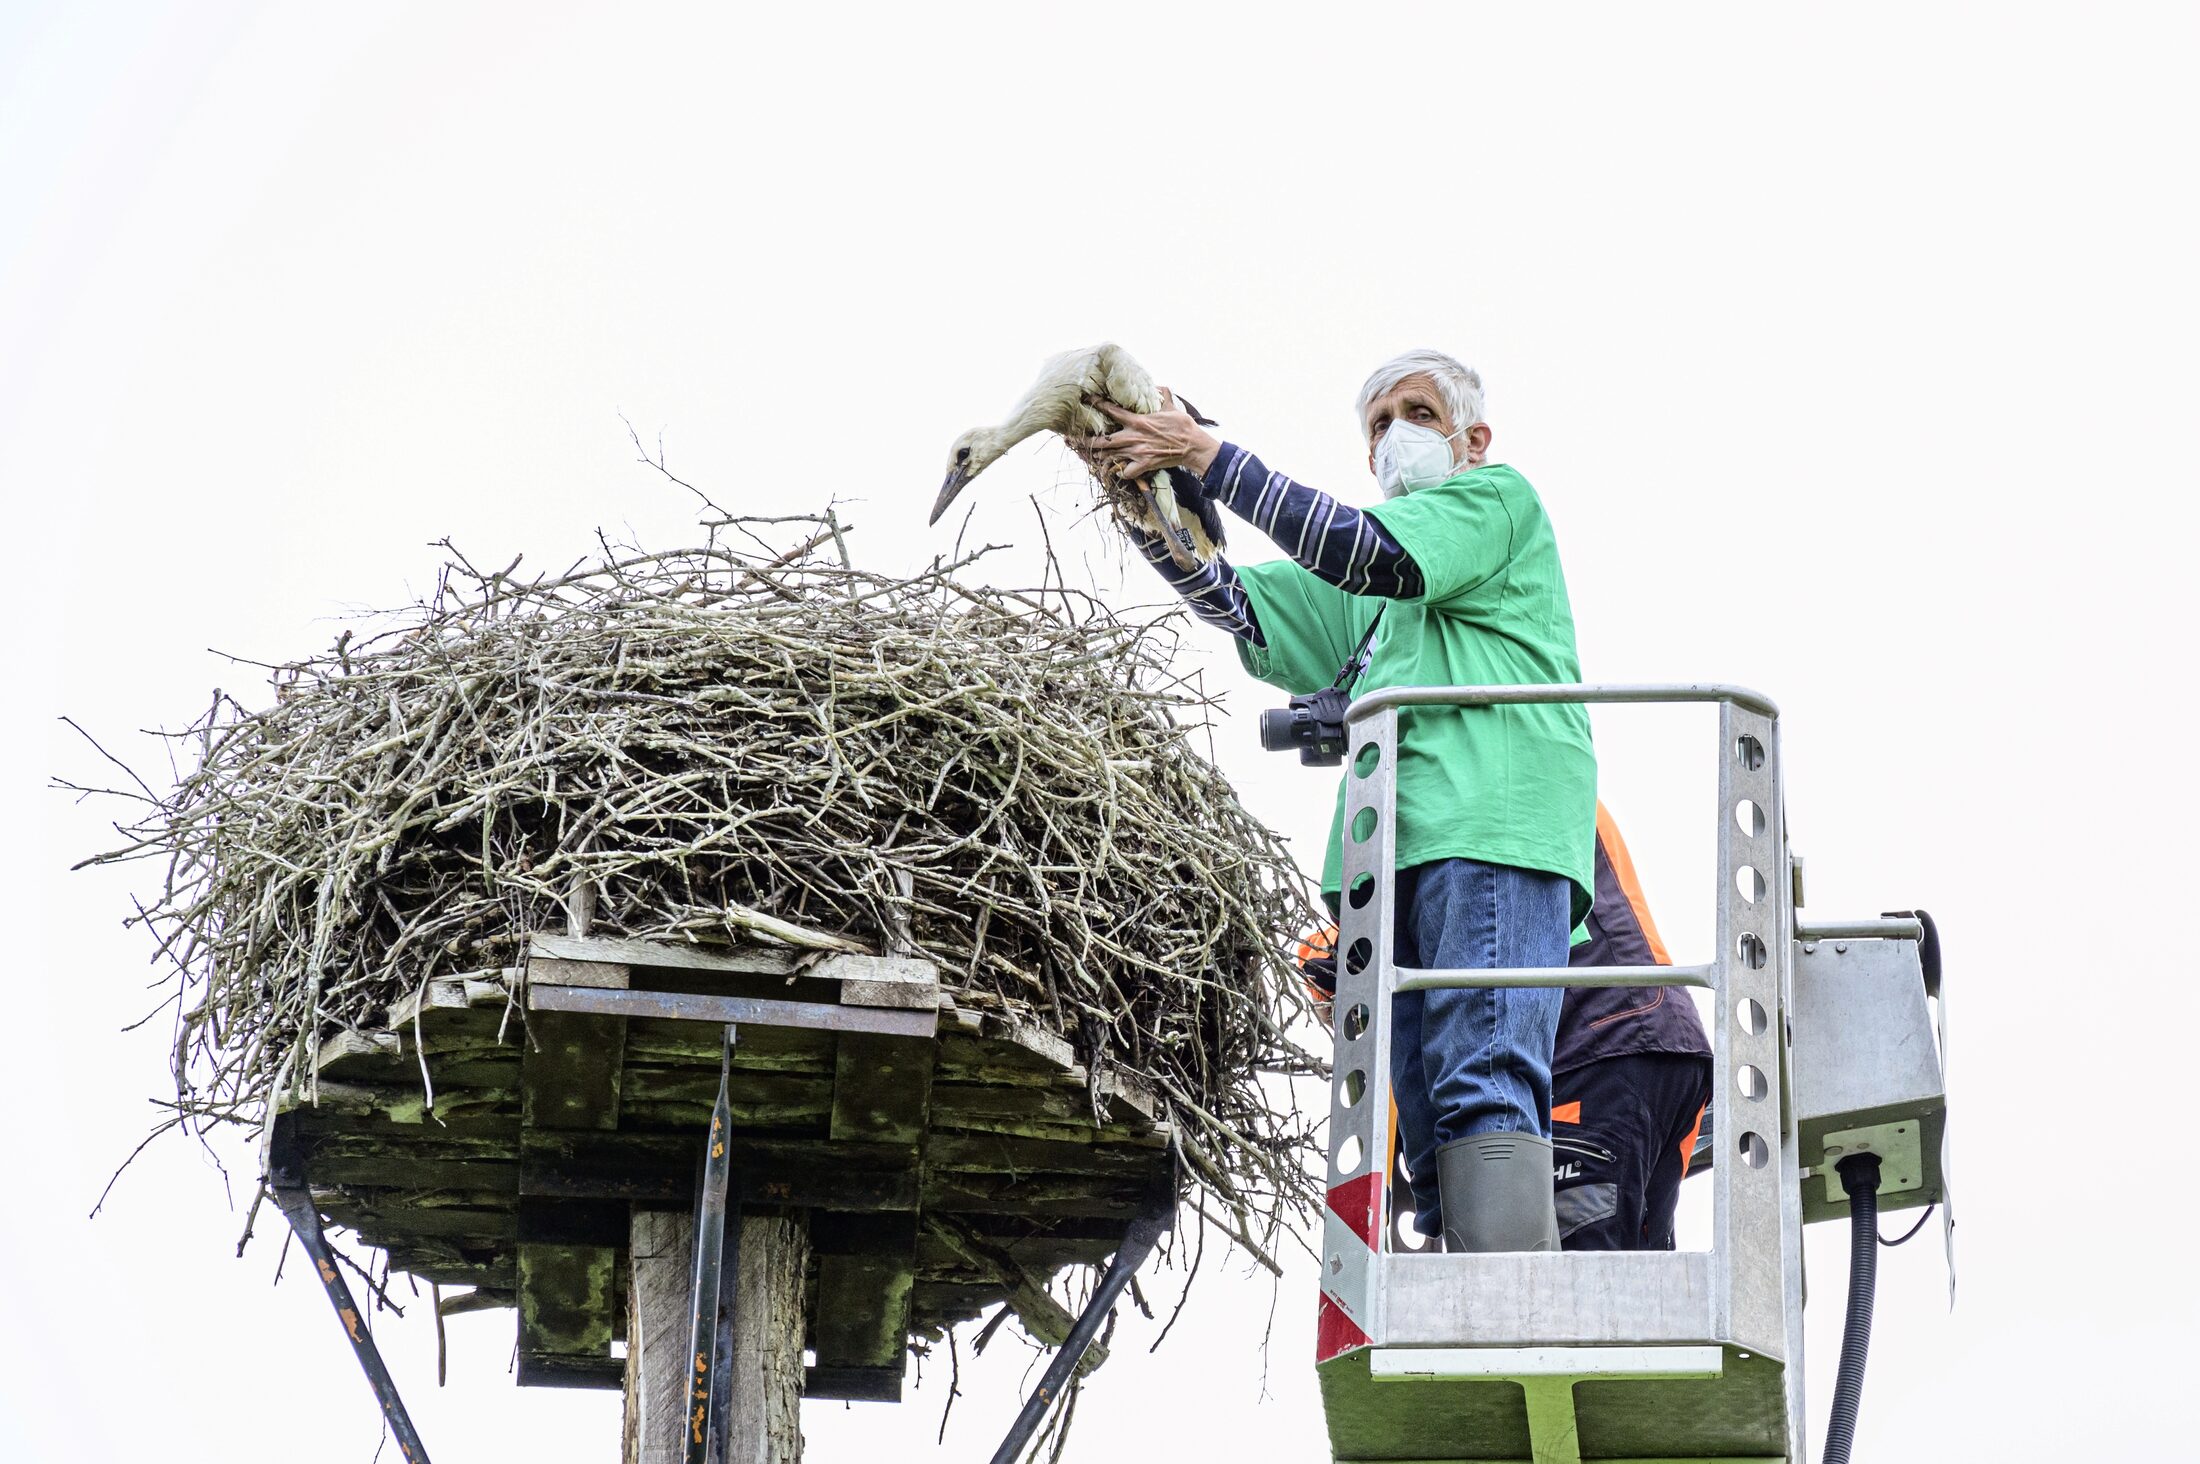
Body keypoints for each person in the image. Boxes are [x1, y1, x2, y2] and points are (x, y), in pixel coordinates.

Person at [1086, 349, 1595, 1252]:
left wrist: (1211, 458)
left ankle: (1507, 1309)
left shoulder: (1496, 503)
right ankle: (1458, 1305)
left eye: (1418, 412)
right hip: (1392, 856)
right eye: (1378, 425)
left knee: (1482, 1073)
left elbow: (1365, 550)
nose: (1396, 434)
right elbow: (1235, 602)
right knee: (1429, 1108)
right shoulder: (1380, 602)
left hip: (1491, 825)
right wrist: (1139, 494)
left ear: (1473, 440)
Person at [1295, 802, 1713, 1252]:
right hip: (1663, 1039)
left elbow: (1400, 937)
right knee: (1628, 1291)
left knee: (1561, 1297)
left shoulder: (1464, 806)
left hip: (1592, 1053)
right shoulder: (1542, 783)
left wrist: (1329, 967)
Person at [1553, 803, 1712, 1250]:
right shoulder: (1558, 771)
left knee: (1584, 1290)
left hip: (1600, 1046)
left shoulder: (1455, 774)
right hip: (1661, 1038)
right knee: (1641, 1285)